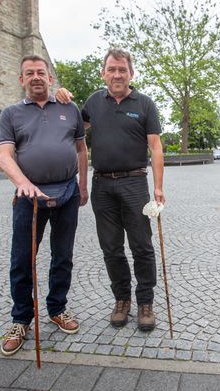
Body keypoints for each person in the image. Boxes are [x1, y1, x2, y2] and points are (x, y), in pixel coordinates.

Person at [56, 48, 165, 332]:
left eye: (122, 69)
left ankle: (145, 302)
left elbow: (155, 146)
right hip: (102, 184)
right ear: (103, 73)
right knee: (111, 247)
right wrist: (62, 96)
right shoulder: (93, 102)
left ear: (132, 73)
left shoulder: (145, 104)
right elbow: (70, 127)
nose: (117, 74)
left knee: (142, 245)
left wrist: (159, 187)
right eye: (112, 69)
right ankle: (121, 300)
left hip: (135, 183)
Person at [0, 55, 88, 356]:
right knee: (22, 259)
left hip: (67, 194)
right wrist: (22, 182)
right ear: (21, 80)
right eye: (29, 73)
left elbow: (81, 150)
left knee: (63, 256)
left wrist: (83, 185)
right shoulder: (10, 114)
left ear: (50, 78)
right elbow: (6, 156)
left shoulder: (69, 108)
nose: (36, 77)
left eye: (41, 72)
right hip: (28, 198)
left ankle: (57, 308)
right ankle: (21, 319)